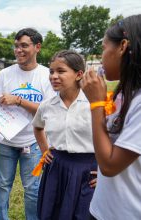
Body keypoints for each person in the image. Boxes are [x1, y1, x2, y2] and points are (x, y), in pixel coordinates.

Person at [0, 28, 56, 220]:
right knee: (2, 186)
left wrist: (19, 100)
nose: (18, 50)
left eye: (24, 46)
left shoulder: (46, 75)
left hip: (34, 142)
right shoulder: (5, 74)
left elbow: (50, 111)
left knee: (32, 189)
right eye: (16, 46)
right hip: (7, 141)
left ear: (37, 47)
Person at [81, 15, 141, 220]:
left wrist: (96, 104)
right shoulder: (126, 93)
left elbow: (109, 165)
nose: (102, 56)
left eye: (104, 48)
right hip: (104, 208)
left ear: (123, 46)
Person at [32, 50, 97, 219]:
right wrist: (45, 150)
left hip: (88, 170)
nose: (54, 76)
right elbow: (38, 127)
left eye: (61, 71)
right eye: (51, 71)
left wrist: (104, 173)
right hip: (56, 168)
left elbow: (112, 137)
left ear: (78, 74)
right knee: (52, 213)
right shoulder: (47, 105)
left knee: (82, 214)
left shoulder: (94, 103)